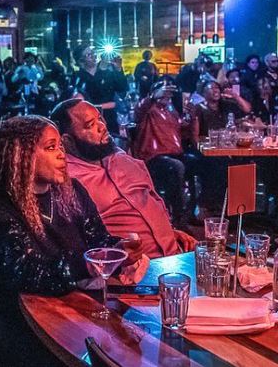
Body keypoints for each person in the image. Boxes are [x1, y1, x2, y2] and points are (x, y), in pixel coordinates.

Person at [0, 116, 143, 366]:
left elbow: (98, 241)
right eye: (51, 147)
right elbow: (28, 272)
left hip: (74, 305)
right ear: (22, 155)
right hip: (20, 321)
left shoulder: (71, 191)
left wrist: (119, 251)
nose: (62, 154)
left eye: (61, 146)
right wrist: (89, 264)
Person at [51, 99, 196, 258]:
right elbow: (74, 245)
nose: (102, 126)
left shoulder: (121, 157)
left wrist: (169, 232)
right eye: (90, 125)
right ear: (67, 141)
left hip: (175, 254)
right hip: (132, 270)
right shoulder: (65, 178)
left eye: (100, 118)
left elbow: (151, 200)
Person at [132, 81, 197, 224]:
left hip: (174, 155)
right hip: (154, 157)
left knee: (196, 161)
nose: (167, 95)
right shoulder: (148, 110)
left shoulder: (170, 112)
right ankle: (178, 219)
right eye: (164, 92)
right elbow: (138, 111)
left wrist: (192, 117)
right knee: (177, 167)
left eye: (169, 93)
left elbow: (185, 133)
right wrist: (153, 97)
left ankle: (190, 212)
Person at [70, 45, 127, 135]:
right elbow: (76, 103)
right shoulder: (78, 77)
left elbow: (122, 89)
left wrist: (118, 69)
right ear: (81, 60)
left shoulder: (108, 72)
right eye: (89, 54)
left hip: (109, 120)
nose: (94, 56)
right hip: (89, 123)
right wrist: (104, 106)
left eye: (93, 52)